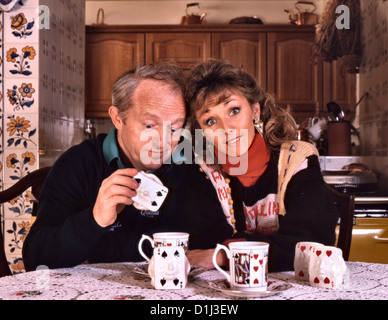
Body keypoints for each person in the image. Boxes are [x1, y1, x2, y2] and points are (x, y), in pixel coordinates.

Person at [22, 62, 230, 271]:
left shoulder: (192, 167)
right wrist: (94, 219)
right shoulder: (78, 163)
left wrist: (98, 251)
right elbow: (37, 261)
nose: (164, 140)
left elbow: (213, 243)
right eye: (149, 125)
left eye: (175, 128)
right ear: (117, 118)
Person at [185, 59, 339, 272]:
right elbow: (199, 244)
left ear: (255, 110)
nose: (226, 128)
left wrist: (224, 255)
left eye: (234, 110)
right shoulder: (202, 171)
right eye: (210, 121)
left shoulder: (297, 160)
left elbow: (312, 243)